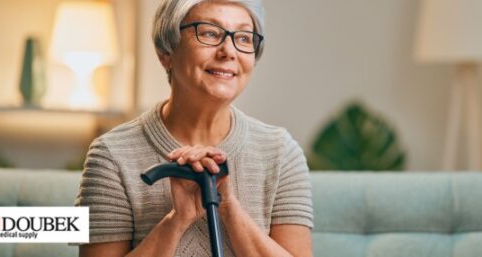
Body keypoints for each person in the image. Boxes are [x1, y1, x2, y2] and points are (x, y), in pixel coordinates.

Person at [75, 0, 314, 256]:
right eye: (210, 33)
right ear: (166, 52)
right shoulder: (112, 154)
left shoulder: (281, 152)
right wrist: (177, 220)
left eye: (244, 38)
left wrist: (228, 208)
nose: (228, 51)